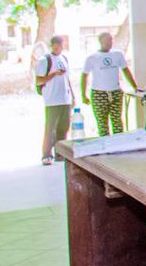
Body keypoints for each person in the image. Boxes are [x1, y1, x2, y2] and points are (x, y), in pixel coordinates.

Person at [80, 32, 137, 136]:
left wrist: (134, 86)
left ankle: (119, 143)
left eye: (111, 40)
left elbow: (125, 70)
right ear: (101, 41)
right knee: (102, 124)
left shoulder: (118, 54)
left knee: (117, 122)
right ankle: (105, 144)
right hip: (99, 94)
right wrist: (83, 95)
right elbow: (84, 76)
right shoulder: (92, 57)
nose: (110, 42)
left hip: (115, 92)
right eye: (107, 40)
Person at [35, 35, 73, 166]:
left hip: (65, 99)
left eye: (60, 45)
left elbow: (67, 79)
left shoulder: (64, 59)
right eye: (55, 45)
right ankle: (46, 155)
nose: (57, 48)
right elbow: (39, 80)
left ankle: (60, 154)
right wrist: (54, 74)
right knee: (50, 128)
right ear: (51, 46)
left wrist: (72, 96)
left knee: (63, 128)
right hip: (52, 100)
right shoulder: (45, 60)